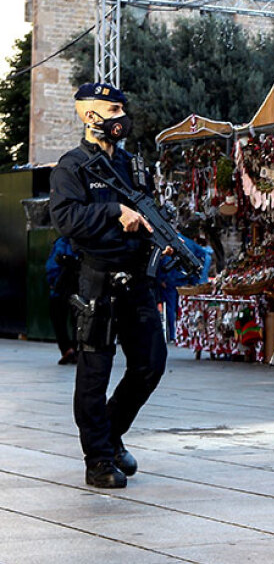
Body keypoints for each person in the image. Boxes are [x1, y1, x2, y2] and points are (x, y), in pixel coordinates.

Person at [49, 82, 166, 489]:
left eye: (122, 109)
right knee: (94, 373)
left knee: (151, 363)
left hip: (136, 279)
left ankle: (111, 435)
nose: (122, 117)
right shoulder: (72, 167)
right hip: (96, 279)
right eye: (113, 109)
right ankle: (98, 458)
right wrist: (114, 210)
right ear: (89, 115)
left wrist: (162, 239)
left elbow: (149, 207)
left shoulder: (132, 164)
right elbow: (66, 220)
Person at [45, 235, 80, 365]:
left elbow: (52, 264)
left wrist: (52, 281)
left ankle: (67, 349)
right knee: (78, 319)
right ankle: (76, 350)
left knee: (58, 317)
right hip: (79, 285)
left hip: (61, 285)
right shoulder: (85, 240)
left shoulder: (62, 241)